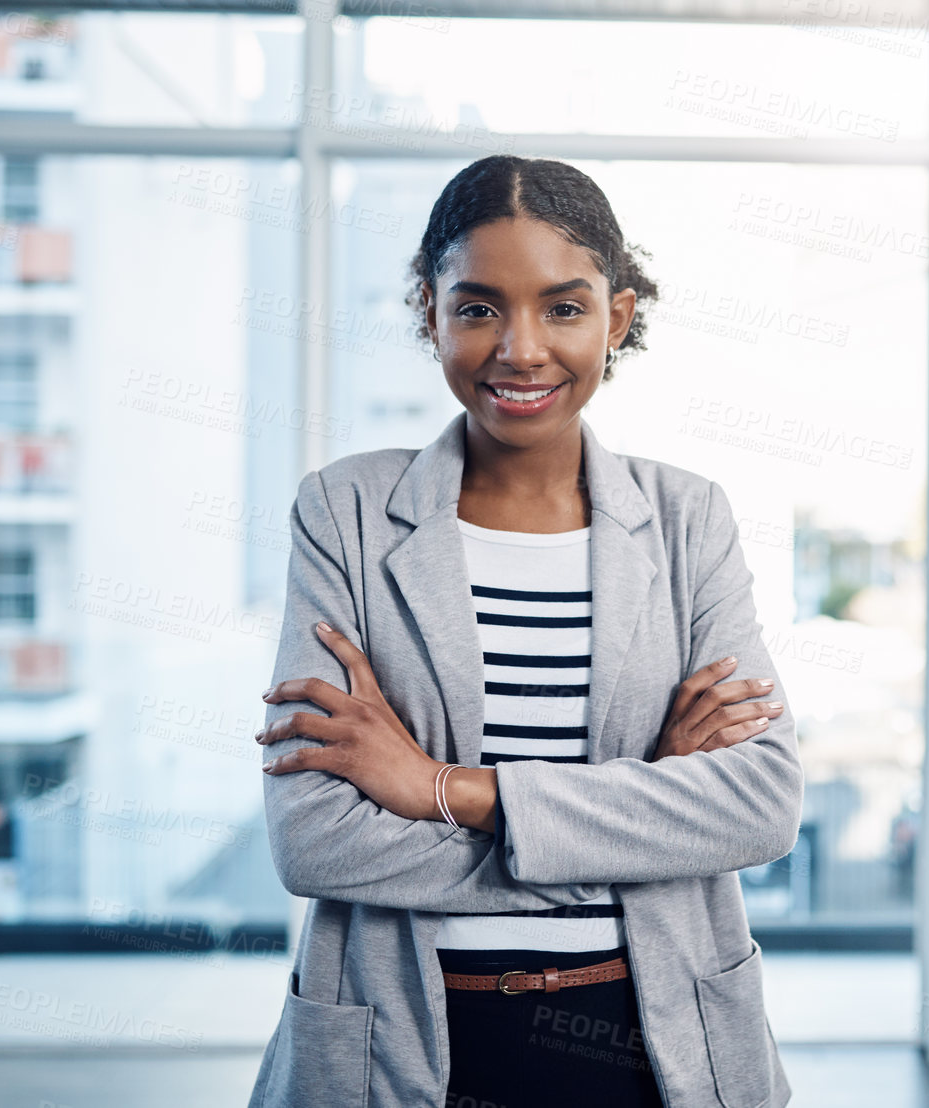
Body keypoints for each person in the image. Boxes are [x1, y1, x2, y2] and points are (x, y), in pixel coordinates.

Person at [247, 154, 803, 1108]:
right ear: (429, 312)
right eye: (476, 308)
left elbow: (756, 806)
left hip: (650, 1043)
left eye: (562, 307)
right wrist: (645, 813)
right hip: (402, 1037)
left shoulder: (687, 520)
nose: (520, 349)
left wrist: (438, 788)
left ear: (615, 317)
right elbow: (318, 842)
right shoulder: (344, 510)